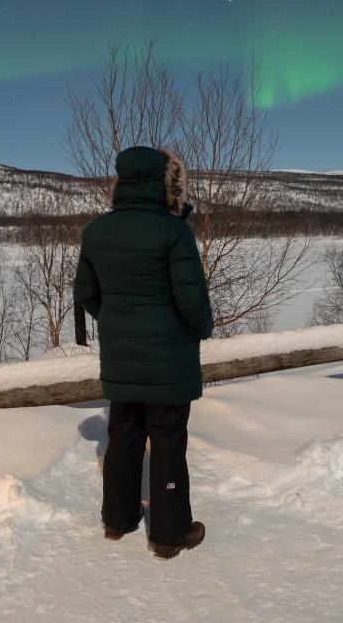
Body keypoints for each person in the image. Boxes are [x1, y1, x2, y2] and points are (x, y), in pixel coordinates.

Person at [73, 146, 214, 561]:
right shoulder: (174, 232)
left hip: (121, 357)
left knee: (124, 436)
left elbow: (86, 294)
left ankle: (118, 519)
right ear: (162, 182)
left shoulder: (96, 232)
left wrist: (119, 323)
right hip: (168, 361)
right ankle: (169, 535)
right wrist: (197, 330)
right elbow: (193, 303)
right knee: (168, 442)